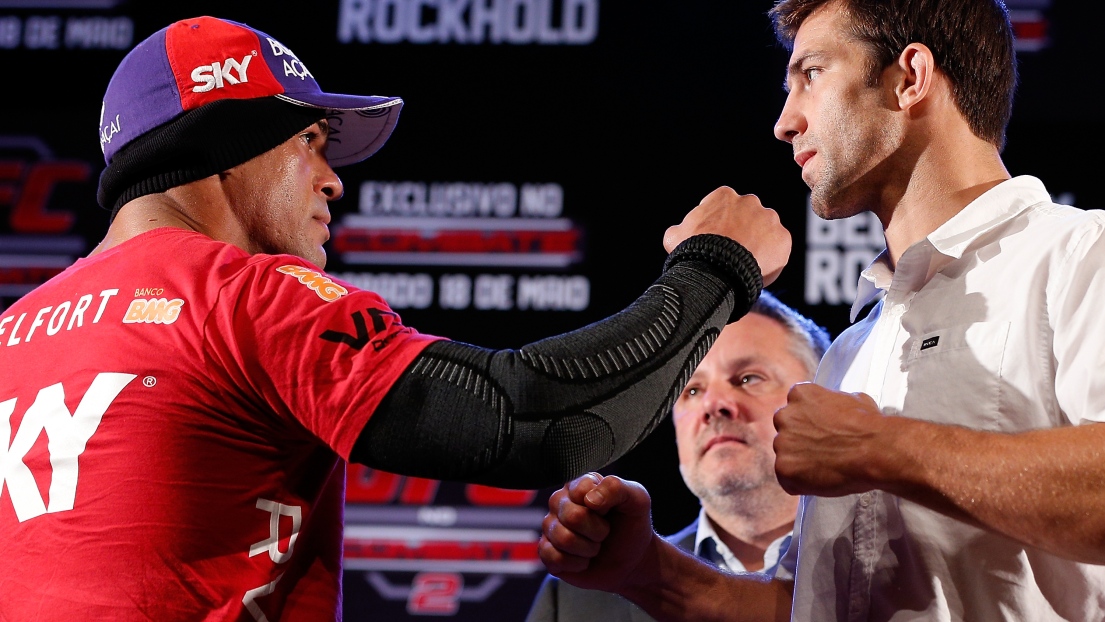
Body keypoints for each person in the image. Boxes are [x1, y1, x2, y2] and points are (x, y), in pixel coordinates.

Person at [0, 16, 792, 621]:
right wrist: (714, 265)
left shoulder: (15, 332)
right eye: (308, 141)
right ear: (227, 149)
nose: (331, 181)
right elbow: (543, 420)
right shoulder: (239, 294)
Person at [538, 0, 1105, 620]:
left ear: (910, 78)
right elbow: (808, 609)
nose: (784, 122)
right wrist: (646, 570)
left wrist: (883, 446)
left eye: (811, 74)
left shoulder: (1081, 256)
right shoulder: (853, 350)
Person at [527, 292, 829, 621]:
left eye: (748, 378)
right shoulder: (578, 600)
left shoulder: (881, 573)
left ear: (823, 398)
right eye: (692, 390)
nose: (712, 404)